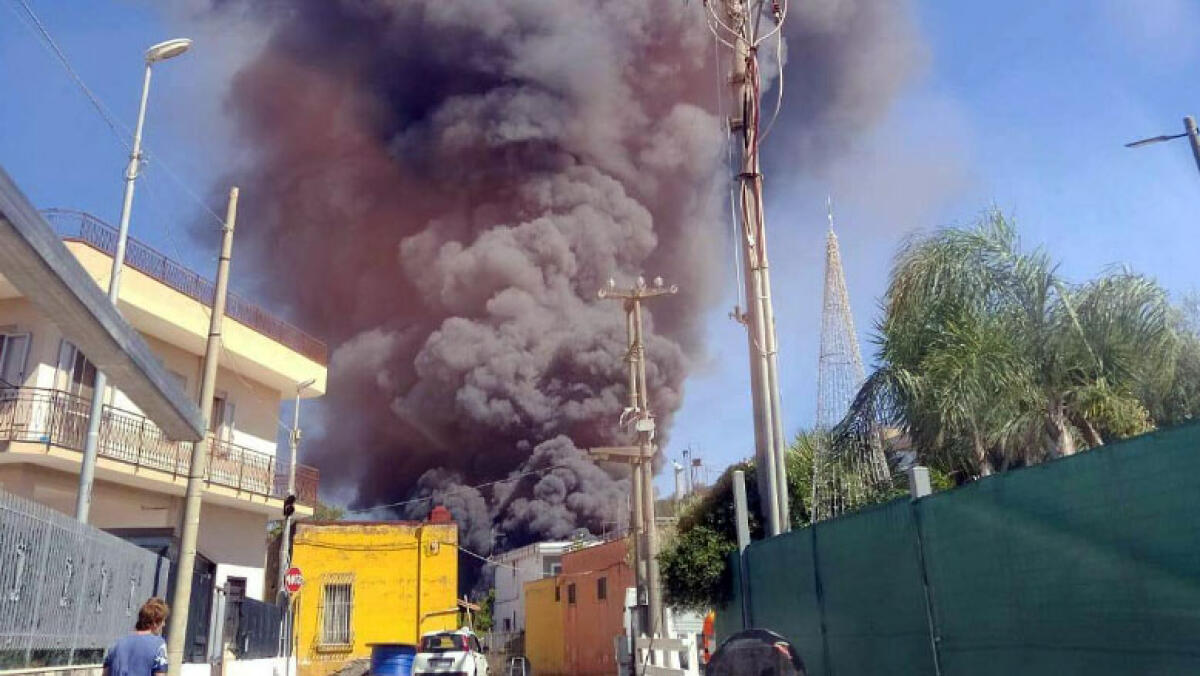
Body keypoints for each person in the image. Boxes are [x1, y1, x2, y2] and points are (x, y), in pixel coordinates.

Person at [103, 598, 170, 676]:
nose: (164, 624)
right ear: (155, 622)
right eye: (163, 621)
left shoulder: (115, 644)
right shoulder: (159, 645)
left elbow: (105, 674)